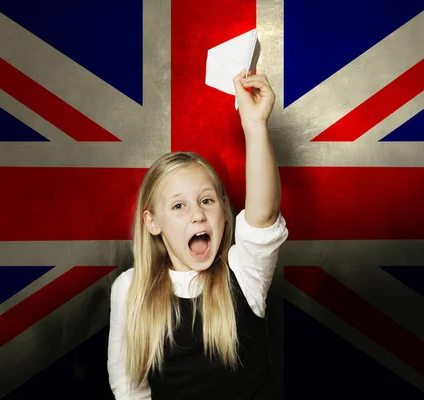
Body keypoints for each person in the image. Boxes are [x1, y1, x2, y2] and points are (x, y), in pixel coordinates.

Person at [107, 70, 288, 399]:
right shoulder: (130, 288)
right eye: (178, 206)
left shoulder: (244, 273)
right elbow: (129, 388)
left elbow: (265, 214)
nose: (197, 214)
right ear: (152, 223)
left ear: (223, 208)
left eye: (206, 200)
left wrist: (255, 124)